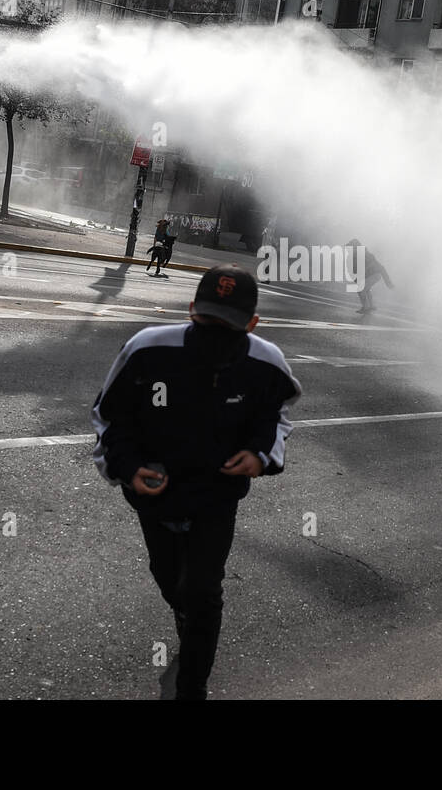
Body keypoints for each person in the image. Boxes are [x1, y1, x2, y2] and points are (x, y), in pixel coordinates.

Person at [91, 264, 301, 699]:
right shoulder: (147, 348)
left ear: (253, 324)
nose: (216, 334)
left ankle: (192, 687)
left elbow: (275, 415)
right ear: (190, 310)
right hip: (154, 495)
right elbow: (110, 416)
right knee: (171, 581)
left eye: (230, 326)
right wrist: (129, 468)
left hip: (216, 499)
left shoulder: (266, 363)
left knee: (204, 592)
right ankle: (184, 615)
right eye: (208, 321)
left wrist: (261, 454)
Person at [345, 238, 393, 314]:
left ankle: (366, 308)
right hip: (369, 276)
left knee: (361, 289)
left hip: (374, 275)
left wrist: (388, 282)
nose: (348, 249)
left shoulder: (365, 255)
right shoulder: (354, 256)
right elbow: (354, 271)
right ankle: (371, 306)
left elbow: (381, 267)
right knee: (365, 289)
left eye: (350, 247)